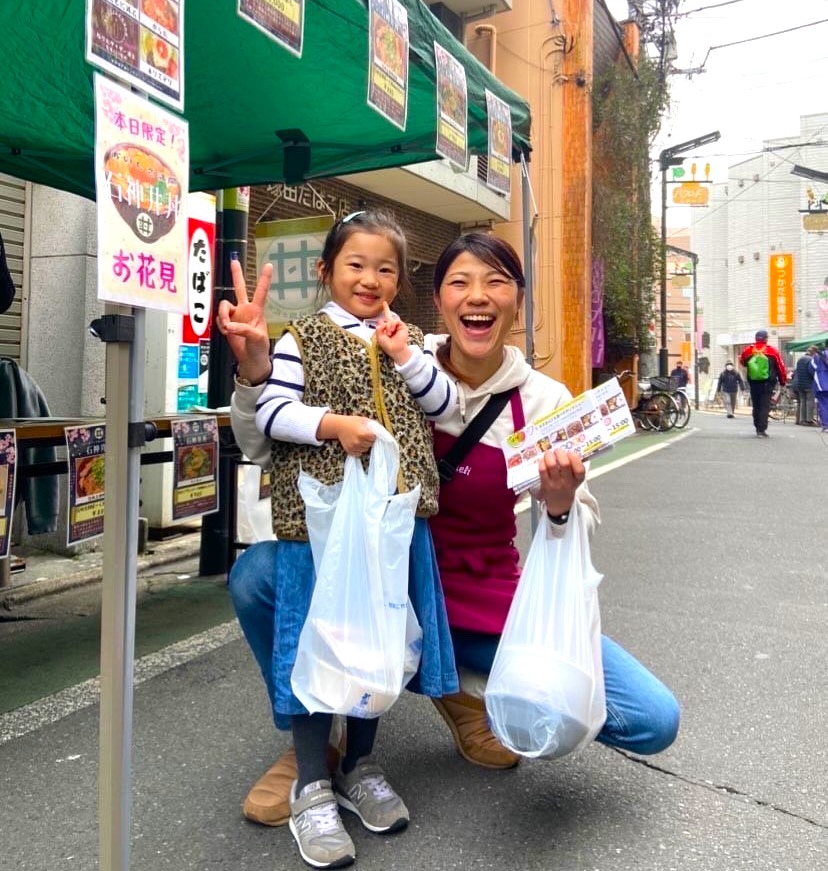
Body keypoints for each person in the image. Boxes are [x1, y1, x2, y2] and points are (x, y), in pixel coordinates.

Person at [223, 232, 680, 854]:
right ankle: (317, 741)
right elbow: (260, 443)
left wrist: (561, 503)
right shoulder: (388, 355)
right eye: (460, 282)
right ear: (437, 299)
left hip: (489, 601)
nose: (479, 297)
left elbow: (576, 528)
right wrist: (254, 369)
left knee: (651, 719)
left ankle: (464, 690)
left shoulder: (544, 403)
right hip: (388, 584)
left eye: (497, 283)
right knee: (257, 576)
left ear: (519, 302)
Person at [219, 209, 460, 869]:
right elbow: (269, 412)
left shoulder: (409, 340)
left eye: (385, 268)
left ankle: (360, 765)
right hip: (317, 528)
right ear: (326, 272)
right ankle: (311, 784)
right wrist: (335, 425)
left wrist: (407, 355)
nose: (371, 278)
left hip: (391, 527)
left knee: (373, 646)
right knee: (312, 644)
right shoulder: (302, 338)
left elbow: (446, 407)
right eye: (355, 264)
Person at [739, 329, 787, 437]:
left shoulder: (748, 351)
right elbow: (780, 367)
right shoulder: (772, 351)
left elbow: (742, 362)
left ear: (756, 339)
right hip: (768, 383)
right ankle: (761, 429)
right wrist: (782, 381)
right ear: (766, 339)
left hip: (753, 382)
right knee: (764, 405)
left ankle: (757, 426)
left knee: (756, 405)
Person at [791, 347, 817, 425]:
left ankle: (802, 420)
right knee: (810, 401)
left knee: (803, 401)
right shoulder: (811, 360)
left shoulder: (800, 359)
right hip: (808, 384)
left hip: (800, 384)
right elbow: (811, 371)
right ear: (814, 353)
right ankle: (809, 420)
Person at [810, 343, 828, 431]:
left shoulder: (817, 356)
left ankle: (826, 425)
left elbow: (811, 368)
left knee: (823, 405)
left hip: (821, 384)